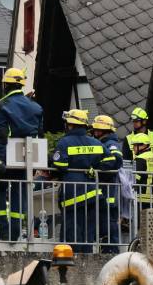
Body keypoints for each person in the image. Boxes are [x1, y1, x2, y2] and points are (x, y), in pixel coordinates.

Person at [0, 67, 44, 241]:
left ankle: (2, 230)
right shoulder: (36, 107)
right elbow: (39, 135)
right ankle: (15, 232)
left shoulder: (2, 105)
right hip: (28, 158)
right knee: (19, 193)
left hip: (7, 156)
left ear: (6, 85)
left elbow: (1, 135)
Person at [48, 108, 113, 253]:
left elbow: (60, 165)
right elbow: (112, 160)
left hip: (73, 193)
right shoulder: (95, 142)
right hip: (92, 193)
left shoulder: (65, 142)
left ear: (70, 125)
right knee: (88, 232)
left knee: (72, 231)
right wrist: (95, 167)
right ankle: (87, 260)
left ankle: (73, 261)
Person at [90, 114, 129, 251]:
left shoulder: (111, 144)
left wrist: (98, 169)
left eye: (96, 129)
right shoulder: (103, 142)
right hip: (104, 192)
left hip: (109, 193)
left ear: (103, 130)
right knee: (103, 223)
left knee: (110, 224)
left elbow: (116, 160)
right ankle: (107, 248)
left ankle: (111, 251)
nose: (94, 132)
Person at [129, 130, 153, 212]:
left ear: (143, 145)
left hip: (142, 197)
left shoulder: (141, 158)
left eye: (135, 145)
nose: (133, 148)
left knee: (139, 223)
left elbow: (135, 179)